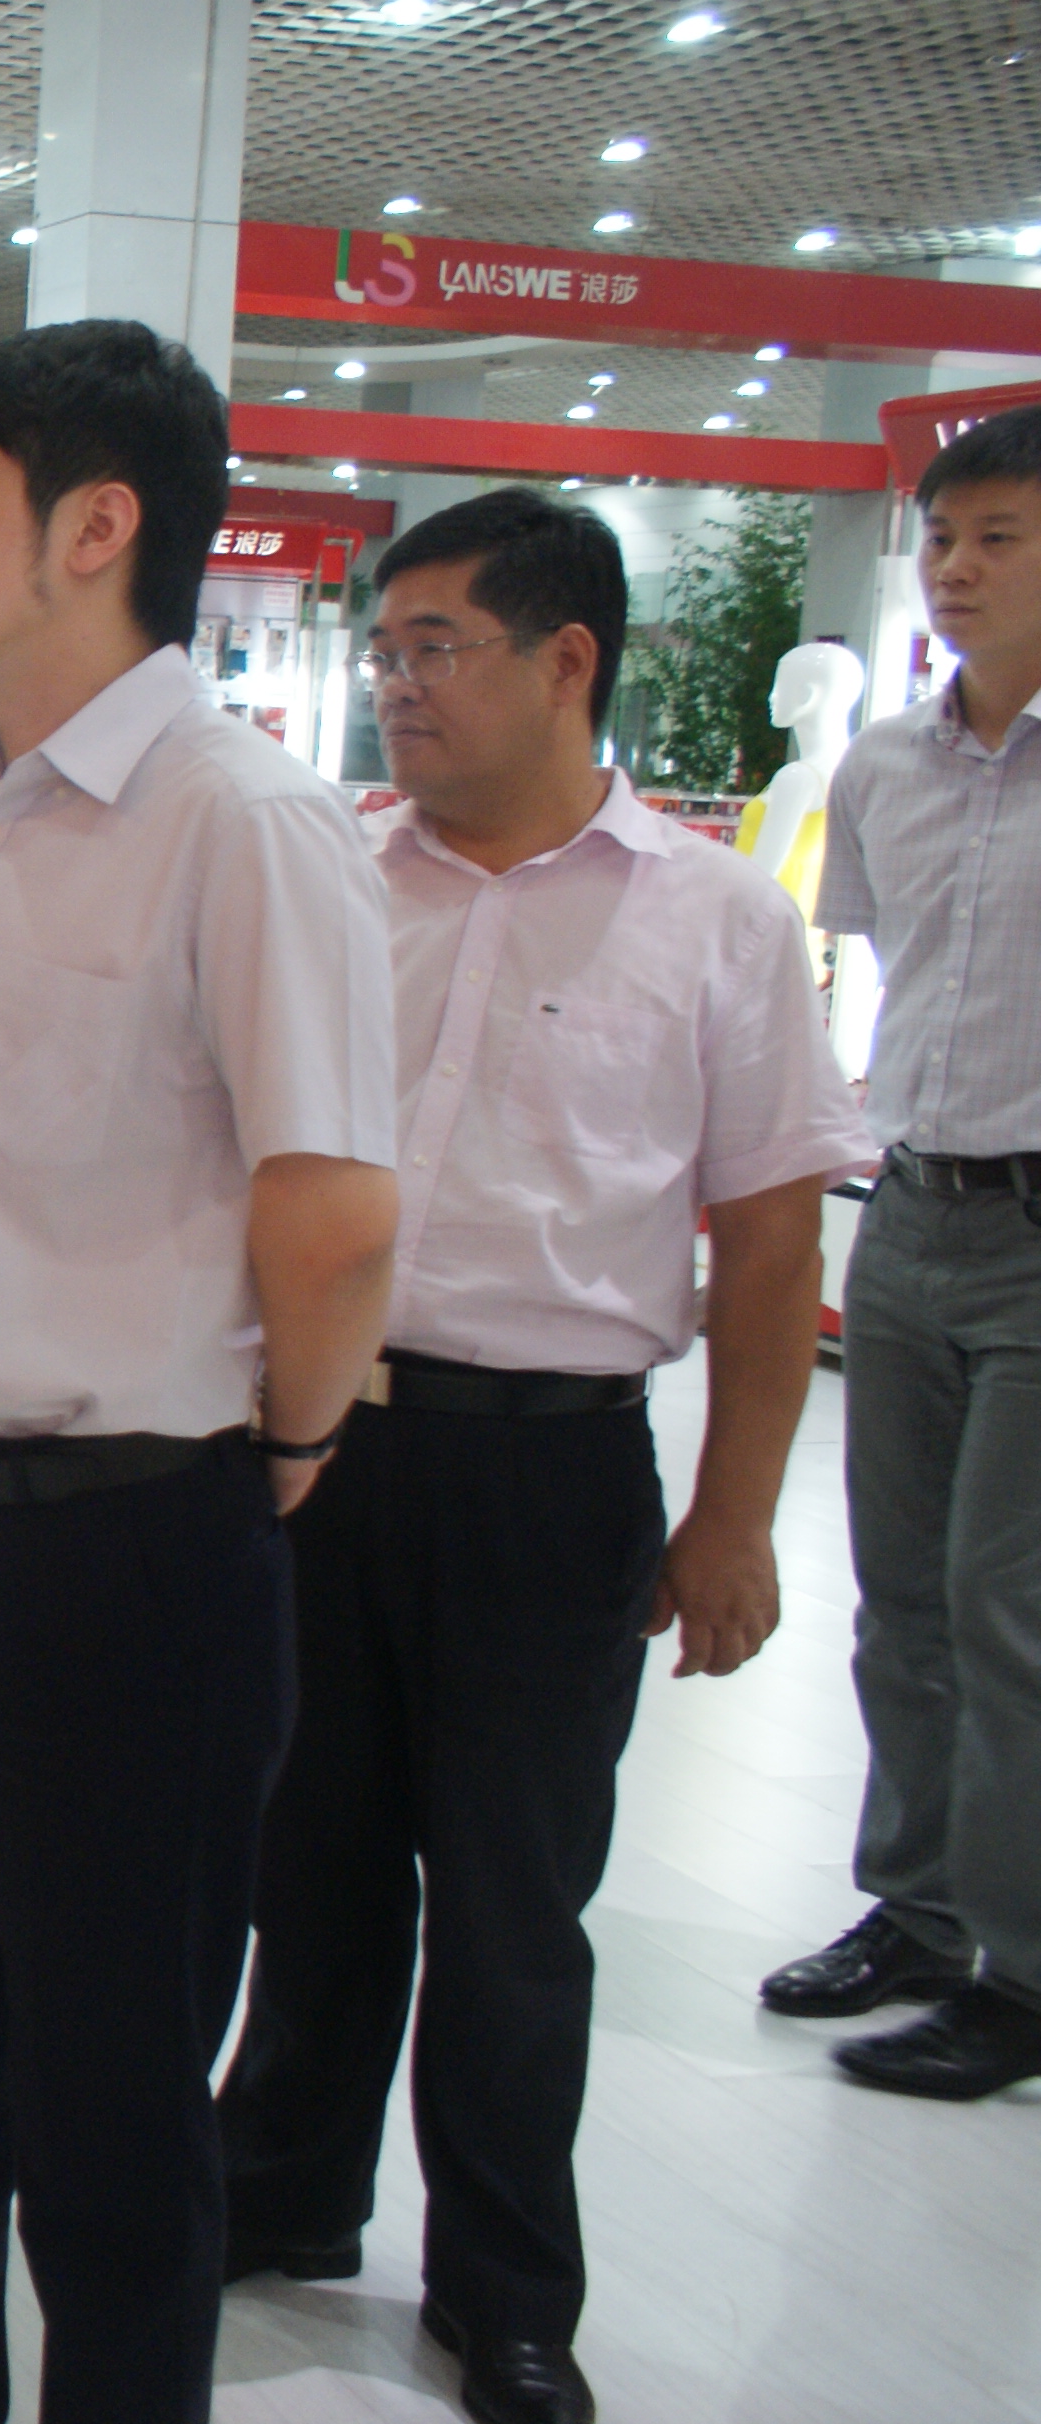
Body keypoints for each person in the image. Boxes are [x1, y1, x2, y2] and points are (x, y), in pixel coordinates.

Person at [213, 490, 870, 2424]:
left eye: (439, 647)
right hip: (321, 1447)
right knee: (310, 1861)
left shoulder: (717, 921)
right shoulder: (334, 876)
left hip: (552, 1476)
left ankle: (505, 2289)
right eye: (387, 649)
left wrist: (734, 1520)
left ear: (569, 659)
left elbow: (772, 1248)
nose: (398, 685)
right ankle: (284, 2186)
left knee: (513, 1911)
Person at [0, 317, 400, 2423]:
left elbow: (331, 1209)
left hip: (130, 1548)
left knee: (113, 2098)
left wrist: (285, 1444)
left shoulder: (241, 821)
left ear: (96, 526)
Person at [765, 400, 1041, 2100]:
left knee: (1009, 1606)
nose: (956, 569)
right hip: (914, 1210)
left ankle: (1023, 1966)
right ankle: (920, 1911)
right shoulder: (887, 768)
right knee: (903, 1598)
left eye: (1001, 538)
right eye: (941, 538)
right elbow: (892, 979)